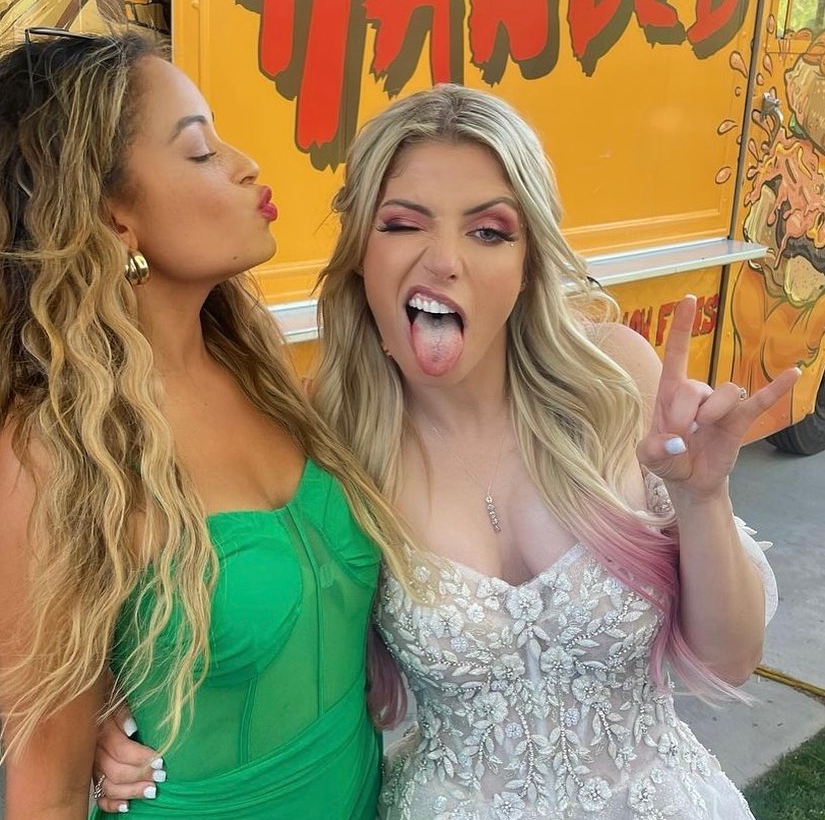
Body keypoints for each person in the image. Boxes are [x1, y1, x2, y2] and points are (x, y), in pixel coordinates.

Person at [93, 85, 799, 819]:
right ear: (361, 253)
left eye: (488, 232)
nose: (444, 261)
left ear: (528, 260)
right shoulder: (328, 432)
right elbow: (245, 604)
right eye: (404, 224)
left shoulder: (616, 377)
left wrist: (702, 495)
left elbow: (729, 659)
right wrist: (105, 710)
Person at [0, 30, 409, 820]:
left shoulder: (263, 375)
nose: (245, 164)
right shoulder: (49, 451)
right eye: (199, 151)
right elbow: (43, 795)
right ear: (115, 219)